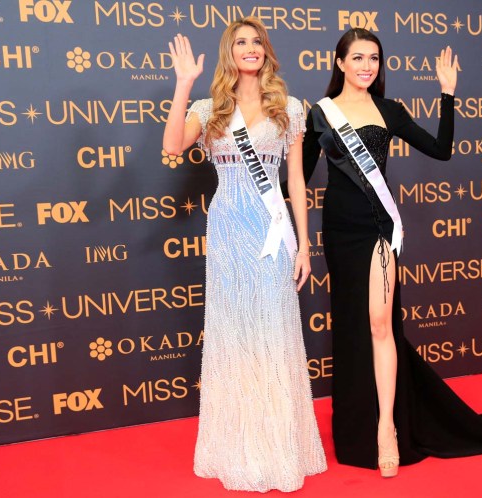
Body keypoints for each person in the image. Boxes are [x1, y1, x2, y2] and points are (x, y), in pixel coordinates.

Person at [297, 28, 482, 478]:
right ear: (339, 63)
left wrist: (447, 95)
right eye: (357, 57)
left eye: (374, 58)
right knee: (352, 327)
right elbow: (299, 176)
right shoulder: (319, 115)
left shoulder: (389, 110)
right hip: (338, 233)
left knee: (379, 323)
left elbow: (442, 150)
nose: (367, 65)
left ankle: (386, 428)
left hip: (378, 230)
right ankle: (356, 425)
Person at [163, 17, 326, 492]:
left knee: (272, 332)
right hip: (230, 232)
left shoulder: (290, 107)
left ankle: (277, 444)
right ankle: (238, 444)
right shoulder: (209, 105)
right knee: (235, 333)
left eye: (257, 42)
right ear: (228, 52)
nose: (250, 48)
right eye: (241, 42)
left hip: (273, 234)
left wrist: (304, 244)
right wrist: (183, 83)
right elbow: (173, 146)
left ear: (266, 51)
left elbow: (295, 181)